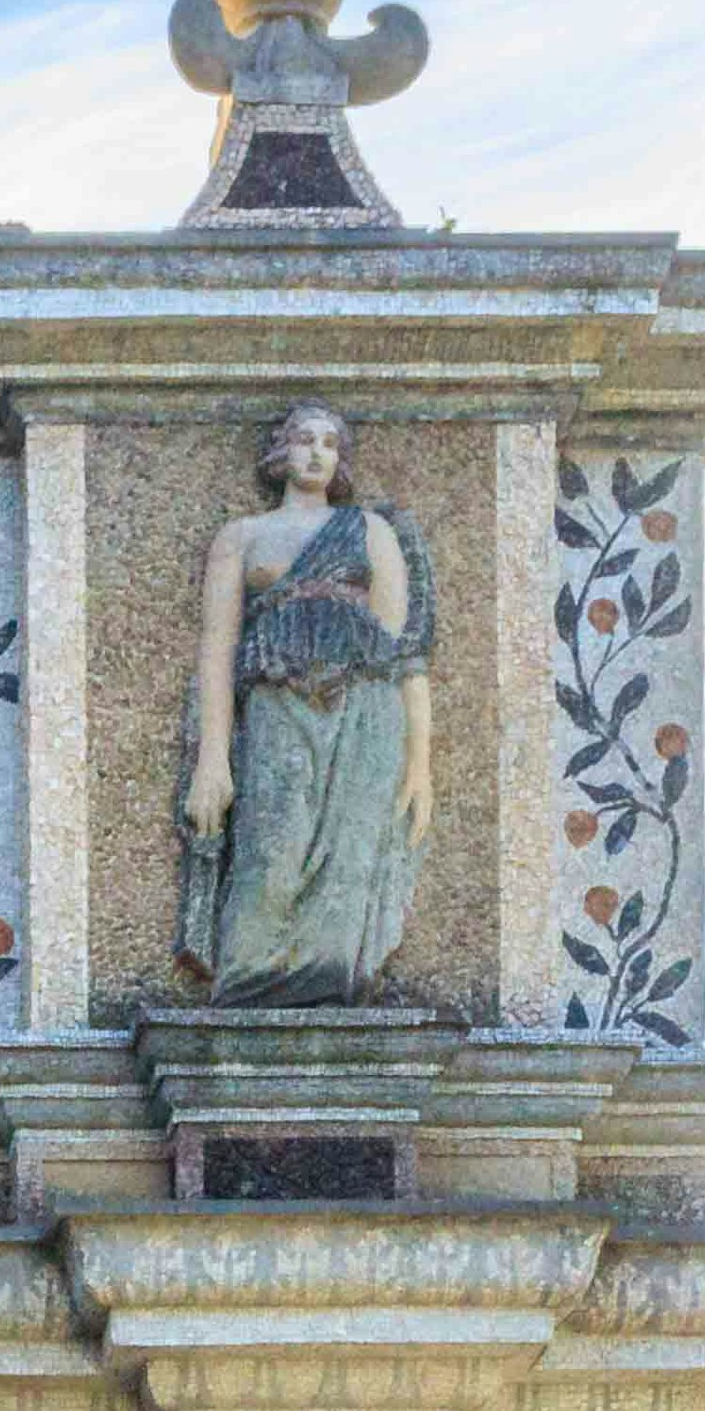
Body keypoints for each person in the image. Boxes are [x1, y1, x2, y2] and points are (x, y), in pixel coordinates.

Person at [176, 396, 427, 998]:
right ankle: (252, 982)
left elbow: (404, 652)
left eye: (329, 444)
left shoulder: (371, 531)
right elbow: (217, 651)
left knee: (349, 856)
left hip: (365, 707)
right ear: (281, 452)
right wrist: (212, 758)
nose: (316, 453)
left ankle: (331, 986)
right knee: (272, 845)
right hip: (275, 701)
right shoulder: (243, 537)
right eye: (304, 440)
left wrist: (421, 764)